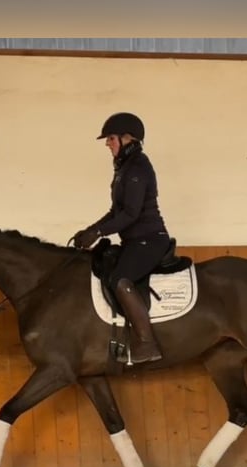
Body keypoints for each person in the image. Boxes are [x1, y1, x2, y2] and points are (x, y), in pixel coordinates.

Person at [73, 112, 171, 364]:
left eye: (111, 139)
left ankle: (147, 344)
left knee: (120, 279)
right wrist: (91, 230)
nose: (107, 143)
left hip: (150, 239)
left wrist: (99, 232)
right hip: (135, 240)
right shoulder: (125, 169)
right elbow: (115, 212)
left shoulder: (138, 168)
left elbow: (130, 213)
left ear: (128, 139)